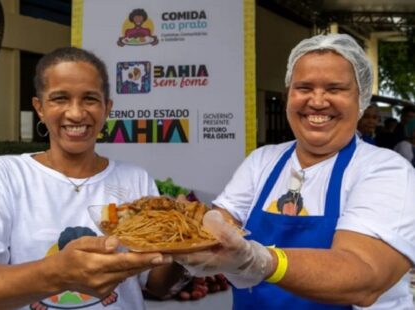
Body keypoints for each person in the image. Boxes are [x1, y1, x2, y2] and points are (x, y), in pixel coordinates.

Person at [174, 34, 415, 309]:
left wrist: (261, 260)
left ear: (360, 99)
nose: (318, 101)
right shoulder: (262, 161)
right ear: (289, 94)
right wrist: (187, 227)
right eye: (304, 87)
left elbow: (363, 276)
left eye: (335, 89)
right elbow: (220, 225)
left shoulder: (385, 170)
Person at [0, 47, 183, 309]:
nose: (76, 113)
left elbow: (156, 284)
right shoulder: (2, 175)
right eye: (60, 99)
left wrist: (186, 249)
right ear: (40, 108)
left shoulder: (135, 179)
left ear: (107, 108)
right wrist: (57, 273)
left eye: (90, 99)